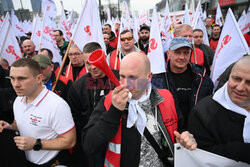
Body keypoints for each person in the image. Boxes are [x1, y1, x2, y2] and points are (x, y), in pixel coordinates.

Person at [83, 52, 197, 167]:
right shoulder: (109, 101)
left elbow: (179, 128)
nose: (126, 84)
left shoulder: (166, 97)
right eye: (122, 76)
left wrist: (185, 138)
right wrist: (114, 111)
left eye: (133, 77)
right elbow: (89, 144)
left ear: (149, 77)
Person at [0, 58, 76, 166]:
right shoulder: (18, 100)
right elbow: (20, 123)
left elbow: (70, 141)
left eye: (22, 78)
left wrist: (37, 143)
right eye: (12, 78)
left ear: (39, 78)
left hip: (51, 163)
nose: (16, 84)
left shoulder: (57, 105)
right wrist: (10, 127)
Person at [188, 56, 250, 164]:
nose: (240, 87)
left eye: (249, 82)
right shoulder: (203, 112)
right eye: (236, 79)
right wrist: (241, 151)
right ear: (229, 76)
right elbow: (198, 157)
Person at [68, 42, 119, 167]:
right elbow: (74, 117)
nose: (92, 67)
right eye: (88, 63)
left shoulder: (120, 78)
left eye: (95, 61)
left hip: (117, 140)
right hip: (94, 143)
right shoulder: (78, 86)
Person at [152, 37, 214, 127]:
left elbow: (209, 106)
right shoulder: (157, 78)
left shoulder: (202, 76)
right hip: (170, 131)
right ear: (168, 54)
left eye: (186, 53)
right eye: (177, 52)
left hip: (196, 129)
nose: (182, 57)